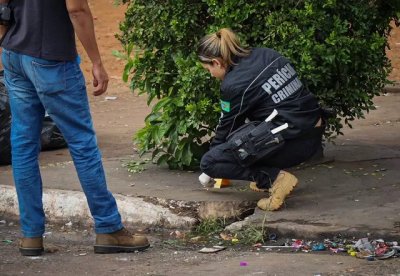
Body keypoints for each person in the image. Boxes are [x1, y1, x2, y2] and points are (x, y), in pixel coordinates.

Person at [0, 0, 149, 256]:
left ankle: (31, 236)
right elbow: (77, 9)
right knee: (82, 144)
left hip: (15, 53)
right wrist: (97, 62)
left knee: (23, 145)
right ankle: (109, 227)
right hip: (51, 58)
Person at [197, 28, 324, 211]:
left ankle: (275, 179)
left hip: (296, 142)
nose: (210, 74)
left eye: (208, 68)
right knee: (247, 133)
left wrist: (215, 163)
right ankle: (264, 175)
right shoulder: (266, 53)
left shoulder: (233, 84)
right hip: (313, 131)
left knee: (210, 162)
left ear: (217, 62)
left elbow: (227, 127)